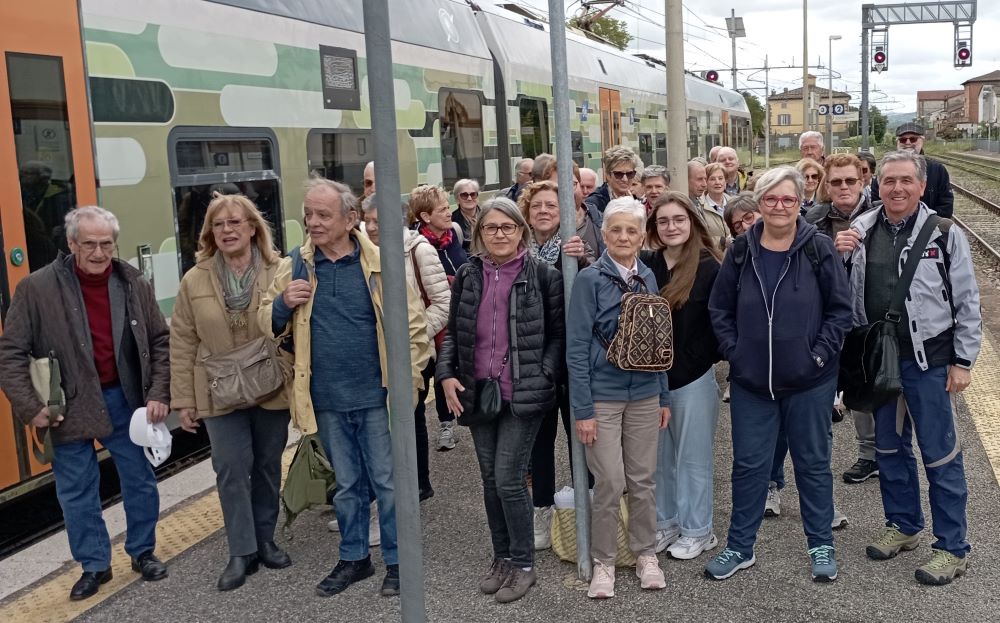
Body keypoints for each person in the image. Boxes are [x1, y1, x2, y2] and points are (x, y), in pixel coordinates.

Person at [260, 178, 431, 598]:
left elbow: (415, 330)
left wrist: (406, 386)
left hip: (378, 398)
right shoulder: (295, 267)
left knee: (389, 484)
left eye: (323, 215)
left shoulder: (380, 264)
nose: (313, 223)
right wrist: (282, 304)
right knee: (348, 486)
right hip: (326, 400)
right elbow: (263, 320)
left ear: (350, 218)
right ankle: (354, 557)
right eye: (308, 215)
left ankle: (396, 561)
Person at [0, 206, 170, 601]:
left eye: (106, 244)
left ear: (115, 244)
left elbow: (160, 341)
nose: (98, 252)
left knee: (140, 480)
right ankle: (94, 565)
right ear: (72, 244)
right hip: (67, 405)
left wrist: (159, 392)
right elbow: (10, 353)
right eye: (89, 244)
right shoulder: (36, 288)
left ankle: (143, 551)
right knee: (77, 491)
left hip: (124, 400)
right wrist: (30, 406)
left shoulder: (132, 281)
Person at [834, 150, 981, 585]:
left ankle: (952, 547)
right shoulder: (859, 230)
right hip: (878, 361)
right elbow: (840, 294)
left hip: (929, 360)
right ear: (876, 186)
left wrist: (963, 361)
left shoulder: (944, 233)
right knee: (889, 449)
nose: (896, 188)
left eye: (905, 181)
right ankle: (904, 525)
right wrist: (838, 255)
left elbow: (968, 301)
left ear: (921, 186)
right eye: (888, 181)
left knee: (941, 454)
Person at [705, 166, 852, 582]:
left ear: (799, 201)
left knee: (813, 464)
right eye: (771, 199)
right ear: (759, 202)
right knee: (749, 466)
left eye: (788, 199)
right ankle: (740, 546)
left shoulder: (817, 248)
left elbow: (841, 312)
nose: (780, 206)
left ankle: (821, 544)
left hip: (809, 381)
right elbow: (719, 310)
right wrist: (736, 353)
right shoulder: (740, 250)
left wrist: (819, 357)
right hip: (752, 383)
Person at [437, 197, 564, 603]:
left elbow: (559, 335)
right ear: (479, 234)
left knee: (510, 478)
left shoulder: (542, 274)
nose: (499, 234)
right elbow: (454, 332)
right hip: (477, 391)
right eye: (490, 228)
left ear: (520, 231)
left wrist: (543, 372)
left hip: (522, 393)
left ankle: (524, 564)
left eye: (507, 227)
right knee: (490, 479)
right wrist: (445, 375)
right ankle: (503, 557)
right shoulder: (468, 275)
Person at [169, 193, 291, 591]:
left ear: (253, 227)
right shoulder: (195, 278)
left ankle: (266, 539)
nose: (227, 231)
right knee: (231, 468)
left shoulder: (280, 270)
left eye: (235, 223)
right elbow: (183, 340)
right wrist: (184, 399)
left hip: (269, 382)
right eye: (219, 225)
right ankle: (242, 551)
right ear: (209, 233)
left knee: (268, 466)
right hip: (218, 388)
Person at [567, 197, 671, 599]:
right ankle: (604, 561)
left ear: (642, 236)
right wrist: (583, 409)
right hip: (604, 398)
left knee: (643, 481)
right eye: (616, 230)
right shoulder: (590, 280)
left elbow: (658, 341)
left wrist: (662, 395)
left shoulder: (648, 277)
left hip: (645, 395)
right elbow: (576, 348)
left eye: (631, 230)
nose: (624, 237)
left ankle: (646, 554)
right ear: (604, 233)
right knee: (610, 481)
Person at [641, 192, 723, 560]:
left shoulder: (709, 267)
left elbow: (718, 328)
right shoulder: (647, 265)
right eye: (663, 221)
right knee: (658, 460)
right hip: (651, 383)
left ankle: (698, 530)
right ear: (654, 228)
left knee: (692, 460)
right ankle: (666, 523)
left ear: (692, 223)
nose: (671, 227)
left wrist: (689, 363)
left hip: (692, 380)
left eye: (678, 219)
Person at [517, 180, 593, 548]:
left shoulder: (574, 246)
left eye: (551, 205)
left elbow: (595, 282)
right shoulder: (517, 250)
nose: (544, 211)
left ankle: (587, 505)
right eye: (537, 206)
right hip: (533, 360)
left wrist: (580, 258)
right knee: (539, 441)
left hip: (572, 358)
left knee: (582, 434)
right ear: (527, 213)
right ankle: (543, 509)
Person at [362, 194, 450, 500]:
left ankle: (418, 482)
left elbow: (442, 303)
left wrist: (411, 336)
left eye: (378, 221)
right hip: (373, 353)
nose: (371, 227)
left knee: (410, 416)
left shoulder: (418, 250)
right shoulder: (359, 251)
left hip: (414, 350)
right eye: (368, 220)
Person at [804, 155, 878, 484]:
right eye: (836, 182)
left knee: (868, 391)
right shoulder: (813, 218)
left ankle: (871, 455)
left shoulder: (881, 214)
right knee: (826, 395)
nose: (844, 187)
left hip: (869, 317)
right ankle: (821, 472)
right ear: (826, 186)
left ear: (862, 182)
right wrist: (832, 253)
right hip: (827, 319)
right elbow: (804, 267)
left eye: (850, 181)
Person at [410, 185, 469, 449]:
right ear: (425, 217)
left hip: (454, 320)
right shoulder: (415, 246)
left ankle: (448, 424)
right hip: (430, 322)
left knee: (447, 372)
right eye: (443, 209)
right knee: (425, 378)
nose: (449, 213)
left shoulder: (453, 234)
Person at [870, 123, 953, 218]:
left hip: (930, 229)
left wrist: (927, 225)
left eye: (913, 139)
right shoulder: (885, 168)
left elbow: (946, 206)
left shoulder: (937, 170)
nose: (908, 143)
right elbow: (876, 204)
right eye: (903, 140)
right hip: (892, 227)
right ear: (897, 142)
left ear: (922, 141)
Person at [583, 146, 641, 215]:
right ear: (608, 175)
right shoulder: (594, 204)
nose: (625, 179)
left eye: (629, 174)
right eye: (618, 174)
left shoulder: (636, 201)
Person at [452, 179, 481, 250]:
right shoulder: (452, 221)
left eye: (473, 194)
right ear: (457, 199)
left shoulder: (487, 215)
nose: (469, 198)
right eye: (464, 195)